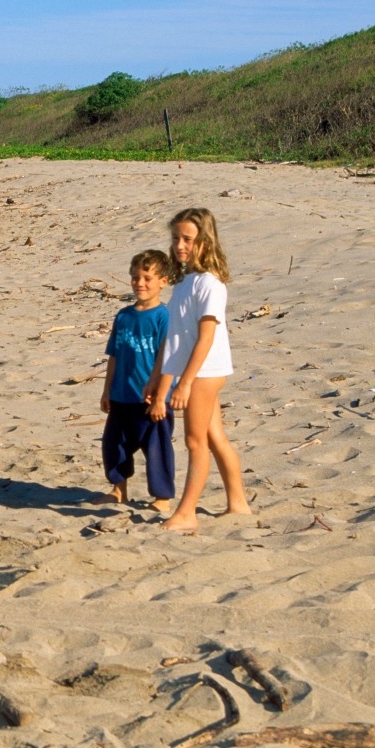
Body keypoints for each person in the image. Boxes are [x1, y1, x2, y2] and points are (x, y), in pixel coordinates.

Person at [144, 207, 253, 531]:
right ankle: (238, 504)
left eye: (188, 239)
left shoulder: (210, 284)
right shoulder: (185, 282)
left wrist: (185, 384)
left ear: (205, 241)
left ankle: (187, 512)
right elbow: (173, 337)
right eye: (176, 238)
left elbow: (207, 337)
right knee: (215, 437)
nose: (180, 245)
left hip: (205, 372)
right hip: (194, 372)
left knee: (195, 442)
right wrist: (155, 377)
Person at [93, 250, 175, 512]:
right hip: (121, 395)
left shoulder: (164, 317)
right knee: (114, 445)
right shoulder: (123, 316)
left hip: (152, 399)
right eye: (135, 277)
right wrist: (107, 391)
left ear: (163, 281)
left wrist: (162, 396)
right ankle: (119, 490)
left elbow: (169, 360)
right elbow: (114, 356)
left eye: (147, 278)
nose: (140, 283)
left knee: (156, 449)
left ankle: (162, 498)